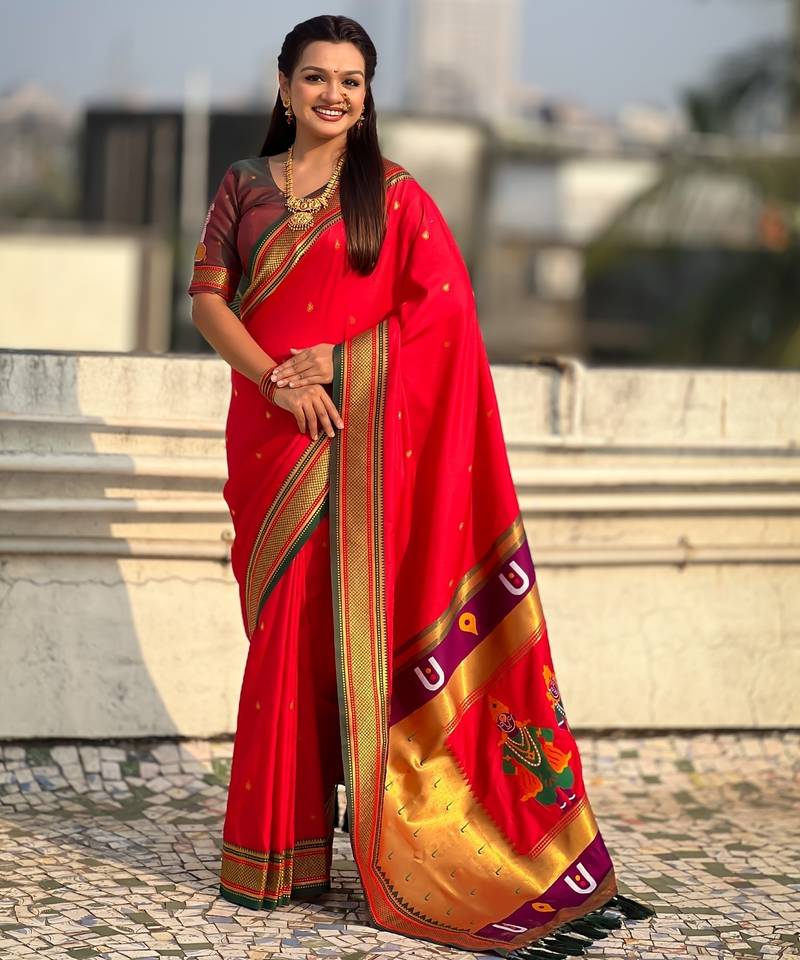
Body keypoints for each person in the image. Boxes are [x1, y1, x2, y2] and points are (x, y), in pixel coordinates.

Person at [187, 14, 655, 958]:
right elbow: (207, 301)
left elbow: (444, 317)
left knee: (342, 633)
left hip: (359, 449)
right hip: (275, 437)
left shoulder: (395, 200)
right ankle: (274, 855)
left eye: (351, 81)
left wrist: (342, 364)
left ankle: (425, 842)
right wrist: (278, 376)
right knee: (282, 632)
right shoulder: (242, 186)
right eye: (315, 77)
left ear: (367, 96)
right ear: (282, 87)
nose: (331, 94)